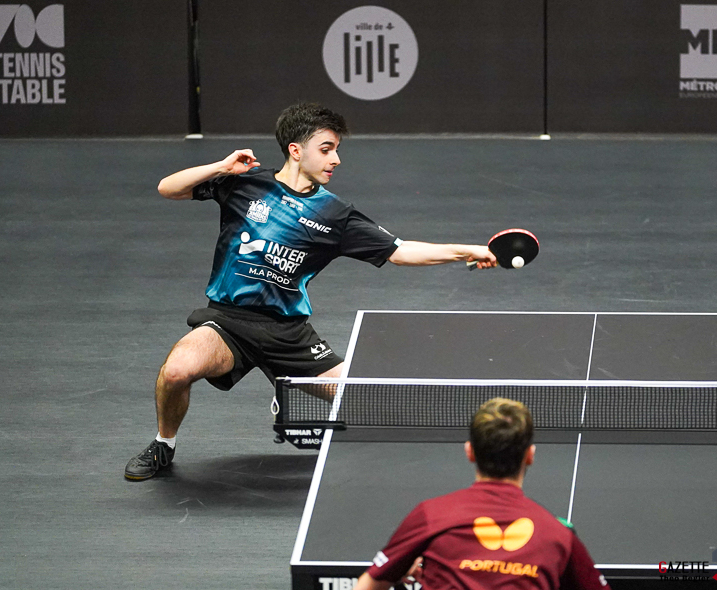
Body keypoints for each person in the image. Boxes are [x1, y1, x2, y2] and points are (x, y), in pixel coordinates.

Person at [124, 103, 496, 480]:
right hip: (228, 321)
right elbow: (167, 188)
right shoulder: (247, 184)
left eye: (336, 149)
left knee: (364, 399)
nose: (335, 159)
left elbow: (400, 251)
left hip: (289, 334)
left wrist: (468, 250)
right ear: (296, 150)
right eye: (326, 148)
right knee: (176, 371)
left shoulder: (335, 214)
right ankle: (163, 445)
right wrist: (221, 166)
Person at [356, 398, 608, 590]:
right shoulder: (557, 534)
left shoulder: (431, 516)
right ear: (530, 455)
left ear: (469, 452)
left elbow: (367, 586)